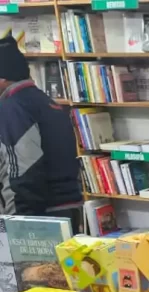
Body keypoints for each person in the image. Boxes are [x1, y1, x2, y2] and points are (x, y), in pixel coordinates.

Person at [0, 36, 82, 228]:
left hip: (40, 215)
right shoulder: (46, 102)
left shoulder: (12, 107)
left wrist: (17, 225)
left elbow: (22, 170)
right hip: (67, 207)